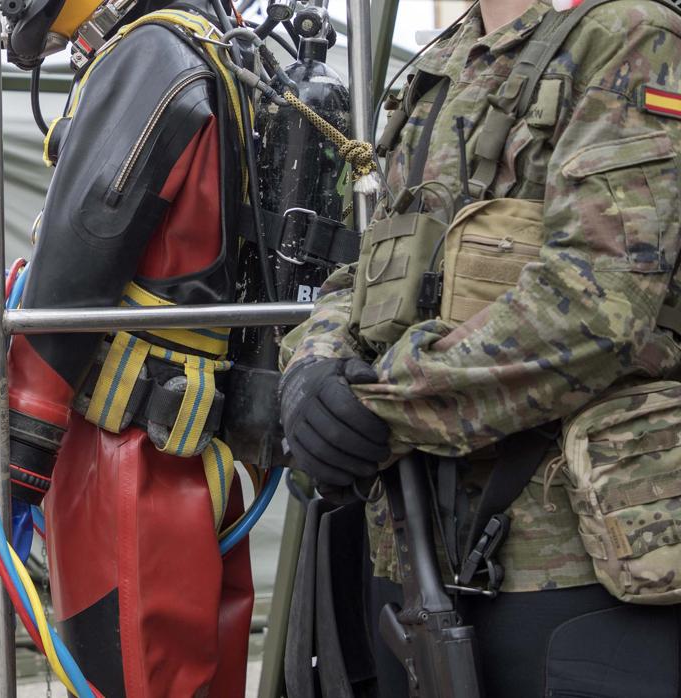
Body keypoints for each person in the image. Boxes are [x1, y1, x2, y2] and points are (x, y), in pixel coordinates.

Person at [279, 0, 681, 694]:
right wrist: (311, 368)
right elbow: (371, 269)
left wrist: (375, 408)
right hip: (415, 558)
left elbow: (594, 303)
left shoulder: (632, 35)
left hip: (573, 571)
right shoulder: (447, 59)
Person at [0, 0, 259, 695]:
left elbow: (68, 290)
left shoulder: (148, 57)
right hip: (193, 461)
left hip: (124, 468)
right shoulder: (219, 50)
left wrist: (10, 477)